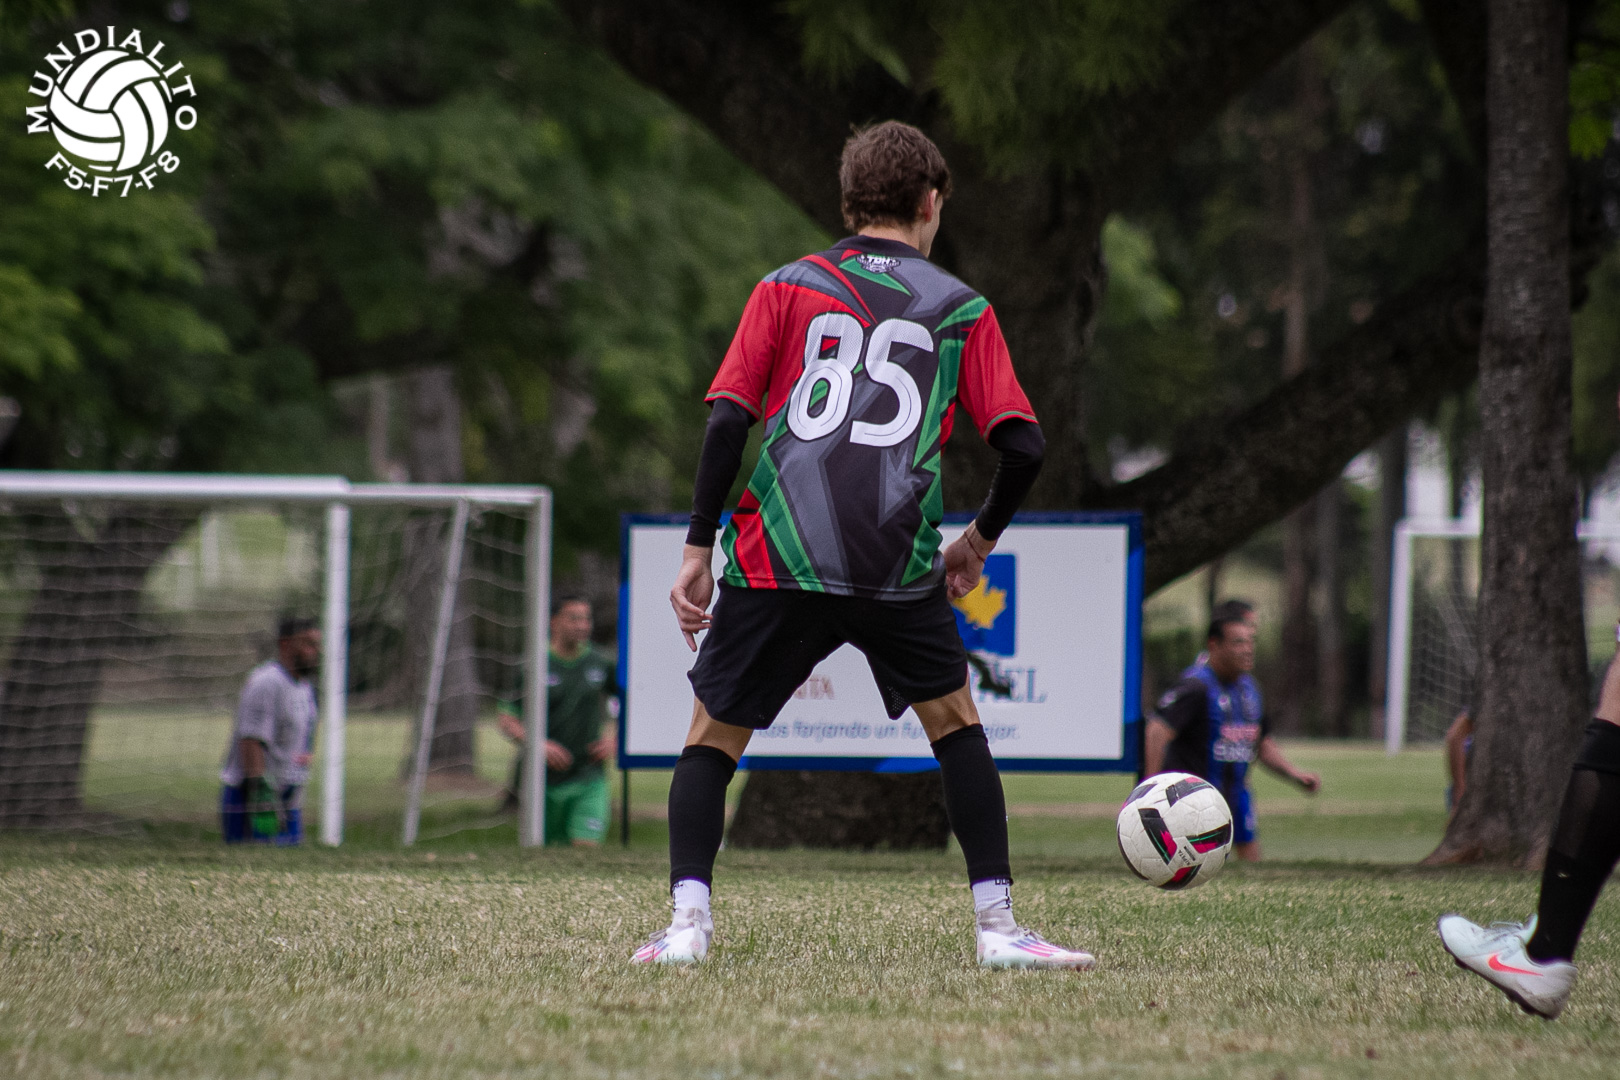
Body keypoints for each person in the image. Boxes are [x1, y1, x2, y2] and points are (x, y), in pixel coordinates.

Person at [632, 121, 1087, 969]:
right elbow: (1024, 446)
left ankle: (687, 926)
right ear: (931, 202)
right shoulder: (962, 309)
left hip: (780, 551)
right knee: (956, 728)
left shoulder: (785, 286)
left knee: (711, 738)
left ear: (849, 202)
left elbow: (728, 421)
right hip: (893, 559)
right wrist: (976, 542)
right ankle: (998, 930)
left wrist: (698, 546)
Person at [1144, 610, 1321, 861]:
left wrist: (1294, 774)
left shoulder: (1249, 689)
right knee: (1196, 866)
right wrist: (1150, 788)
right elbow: (1158, 729)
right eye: (1238, 642)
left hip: (1237, 794)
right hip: (1193, 800)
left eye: (1250, 642)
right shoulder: (1196, 686)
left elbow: (1261, 742)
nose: (1247, 649)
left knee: (1251, 864)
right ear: (1214, 645)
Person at [497, 595, 618, 846]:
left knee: (585, 847)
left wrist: (616, 741)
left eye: (586, 619)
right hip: (542, 779)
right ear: (554, 622)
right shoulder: (532, 664)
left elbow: (632, 703)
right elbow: (507, 718)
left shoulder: (601, 662)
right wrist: (537, 744)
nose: (582, 625)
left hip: (589, 775)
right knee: (546, 852)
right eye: (574, 618)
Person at [219, 616, 320, 845]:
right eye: (308, 643)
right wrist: (260, 794)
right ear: (285, 644)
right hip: (254, 797)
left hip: (287, 797)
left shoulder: (304, 686)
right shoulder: (266, 682)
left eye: (317, 644)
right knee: (252, 861)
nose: (315, 651)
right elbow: (250, 739)